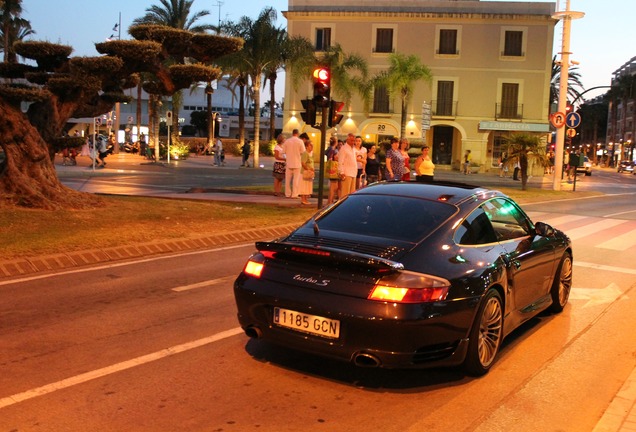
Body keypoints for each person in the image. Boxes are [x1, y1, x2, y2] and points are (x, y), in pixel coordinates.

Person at [282, 129, 306, 198]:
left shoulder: (287, 141)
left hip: (289, 163)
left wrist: (287, 158)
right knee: (296, 180)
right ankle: (294, 194)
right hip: (297, 163)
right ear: (297, 134)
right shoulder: (300, 141)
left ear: (292, 133)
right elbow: (303, 152)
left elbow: (283, 152)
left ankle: (287, 194)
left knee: (287, 180)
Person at [338, 133, 358, 198]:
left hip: (353, 173)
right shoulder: (343, 148)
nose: (353, 142)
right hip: (347, 173)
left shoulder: (354, 149)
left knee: (352, 194)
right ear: (347, 140)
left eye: (354, 140)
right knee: (345, 194)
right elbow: (340, 161)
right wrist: (341, 172)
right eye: (352, 140)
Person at [300, 140, 315, 205]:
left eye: (312, 145)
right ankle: (303, 199)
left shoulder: (310, 154)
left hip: (309, 173)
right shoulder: (305, 153)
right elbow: (303, 163)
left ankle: (306, 199)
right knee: (304, 186)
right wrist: (308, 169)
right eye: (310, 145)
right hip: (305, 172)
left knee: (308, 186)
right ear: (306, 146)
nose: (312, 147)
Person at [326, 136, 340, 204]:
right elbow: (336, 158)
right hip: (334, 168)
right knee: (333, 186)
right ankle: (330, 201)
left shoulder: (329, 149)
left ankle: (330, 200)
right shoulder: (334, 150)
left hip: (331, 168)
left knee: (334, 186)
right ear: (335, 142)